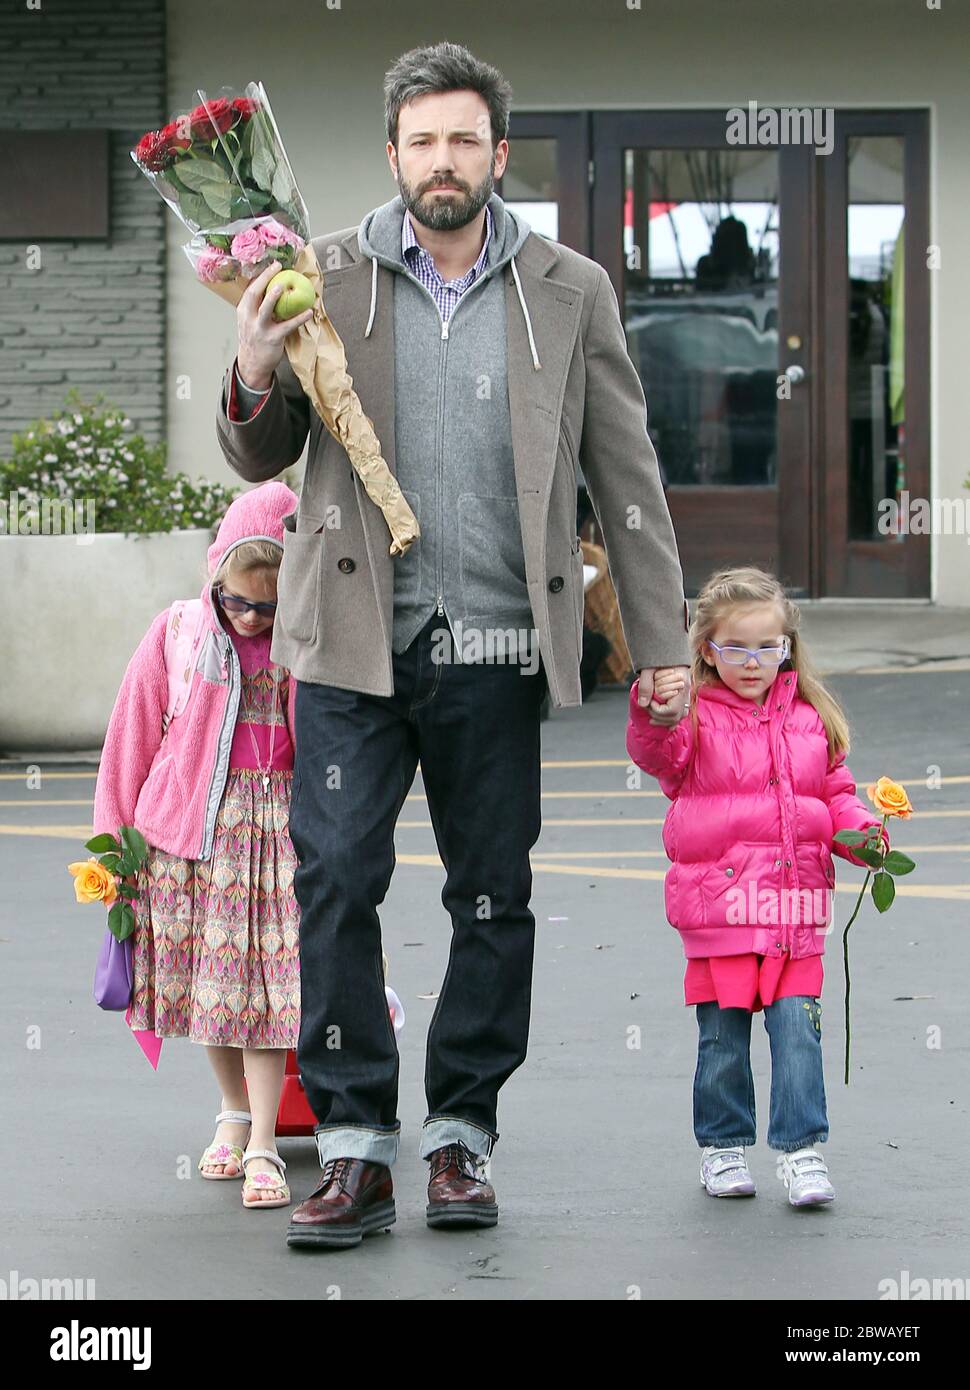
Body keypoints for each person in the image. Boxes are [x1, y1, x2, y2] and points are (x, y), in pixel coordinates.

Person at [216, 42, 692, 1248]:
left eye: (463, 140)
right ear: (392, 154)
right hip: (348, 643)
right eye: (421, 141)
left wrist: (661, 637)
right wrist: (255, 362)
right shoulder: (314, 274)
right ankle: (358, 1149)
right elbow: (261, 455)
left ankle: (460, 1138)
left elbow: (623, 474)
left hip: (494, 643)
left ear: (496, 154)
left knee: (492, 897)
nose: (443, 161)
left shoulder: (568, 286)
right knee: (333, 884)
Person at [626, 566, 887, 1207]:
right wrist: (653, 707)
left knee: (800, 1033)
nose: (752, 662)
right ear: (706, 650)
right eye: (735, 648)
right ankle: (722, 1147)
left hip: (795, 912)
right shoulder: (692, 717)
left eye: (767, 648)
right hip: (722, 911)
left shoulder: (809, 718)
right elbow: (657, 754)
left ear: (787, 648)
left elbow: (837, 793)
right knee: (723, 1041)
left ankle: (802, 1153)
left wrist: (861, 836)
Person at [92, 482, 302, 1210]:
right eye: (239, 601)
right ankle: (232, 1112)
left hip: (274, 841)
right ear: (216, 576)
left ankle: (267, 1143)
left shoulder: (300, 641)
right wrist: (113, 849)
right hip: (190, 838)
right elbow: (131, 737)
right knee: (210, 990)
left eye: (267, 608)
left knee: (268, 993)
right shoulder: (180, 632)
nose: (250, 618)